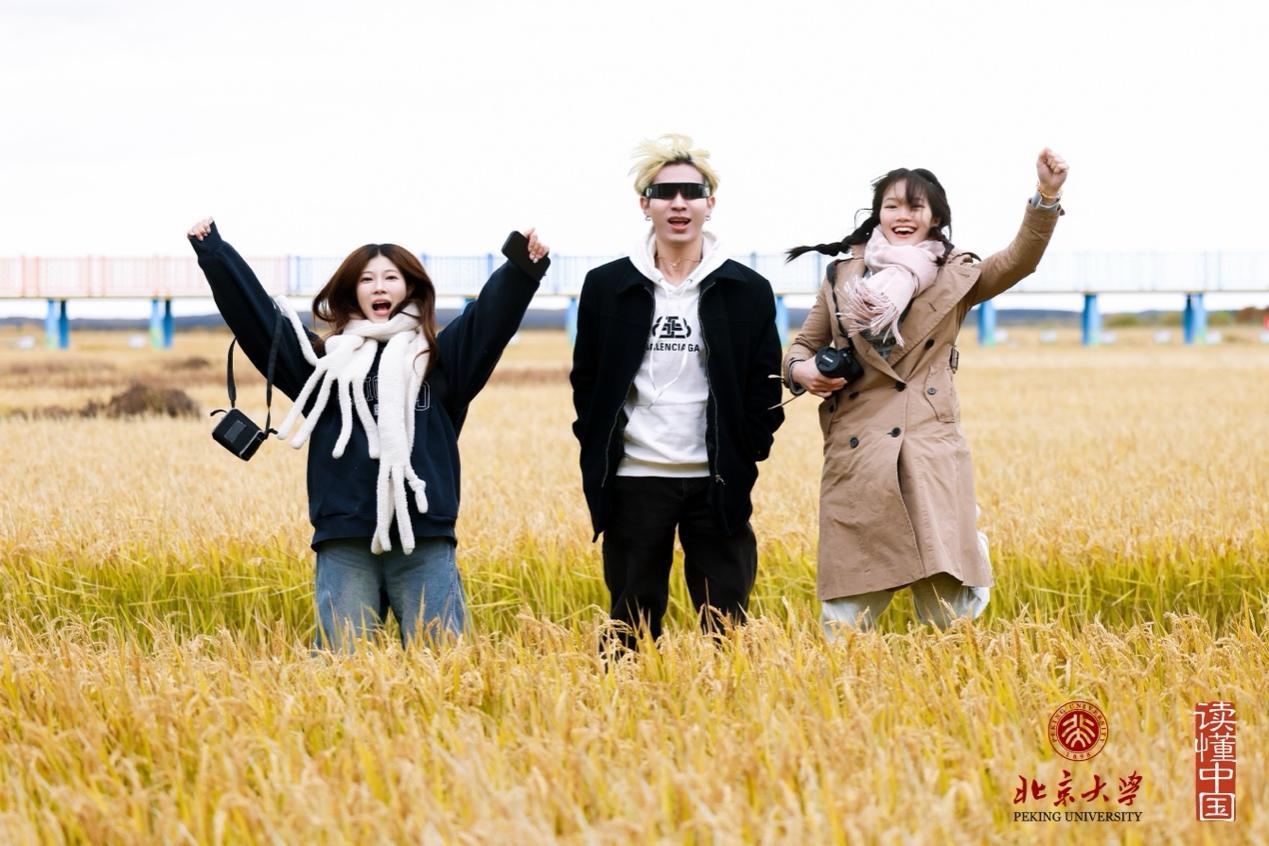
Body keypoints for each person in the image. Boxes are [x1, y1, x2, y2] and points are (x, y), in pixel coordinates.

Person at [187, 218, 549, 651]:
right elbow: (263, 323)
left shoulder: (441, 360)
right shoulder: (321, 365)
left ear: (411, 289)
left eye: (391, 278)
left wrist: (521, 267)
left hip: (423, 534)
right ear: (352, 292)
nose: (379, 287)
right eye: (367, 279)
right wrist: (216, 255)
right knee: (342, 665)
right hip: (346, 536)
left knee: (442, 663)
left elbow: (488, 320)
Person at [783, 149, 1069, 635]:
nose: (903, 215)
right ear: (878, 213)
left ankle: (958, 677)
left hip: (928, 449)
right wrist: (803, 371)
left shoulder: (957, 275)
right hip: (859, 452)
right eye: (892, 205)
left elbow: (1020, 259)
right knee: (847, 613)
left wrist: (1046, 195)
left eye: (915, 207)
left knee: (948, 610)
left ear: (934, 217)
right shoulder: (841, 277)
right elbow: (801, 347)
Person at [570, 134, 785, 651]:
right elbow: (587, 381)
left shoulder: (747, 289)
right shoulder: (606, 286)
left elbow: (764, 384)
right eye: (664, 192)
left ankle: (726, 700)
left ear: (711, 202)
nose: (679, 203)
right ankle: (623, 700)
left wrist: (748, 448)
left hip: (717, 478)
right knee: (631, 620)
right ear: (645, 204)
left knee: (726, 619)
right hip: (635, 477)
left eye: (692, 191)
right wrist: (595, 442)